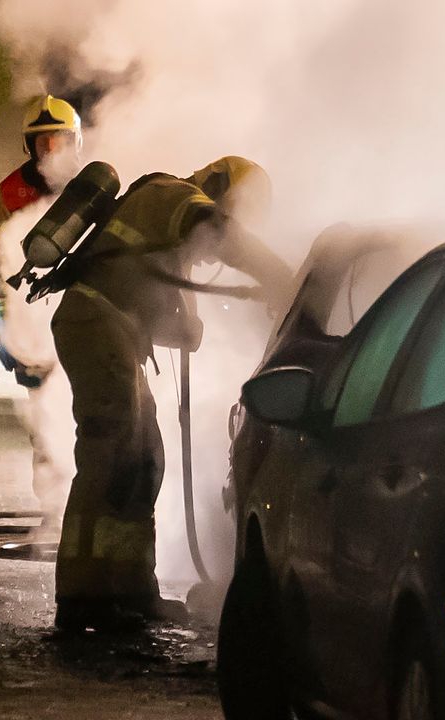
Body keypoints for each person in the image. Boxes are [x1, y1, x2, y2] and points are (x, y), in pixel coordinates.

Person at [47, 156, 293, 631]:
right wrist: (286, 279)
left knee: (144, 460)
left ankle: (132, 587)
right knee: (110, 457)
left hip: (112, 331)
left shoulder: (167, 235)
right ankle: (81, 595)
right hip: (96, 323)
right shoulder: (173, 195)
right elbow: (222, 234)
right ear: (223, 193)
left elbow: (148, 305)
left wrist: (183, 328)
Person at [0, 94, 84, 528]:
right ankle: (53, 503)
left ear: (74, 140)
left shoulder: (91, 185)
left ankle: (84, 496)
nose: (49, 149)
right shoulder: (11, 192)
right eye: (40, 141)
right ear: (28, 145)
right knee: (45, 412)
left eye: (57, 139)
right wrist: (5, 323)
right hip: (35, 318)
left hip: (85, 312)